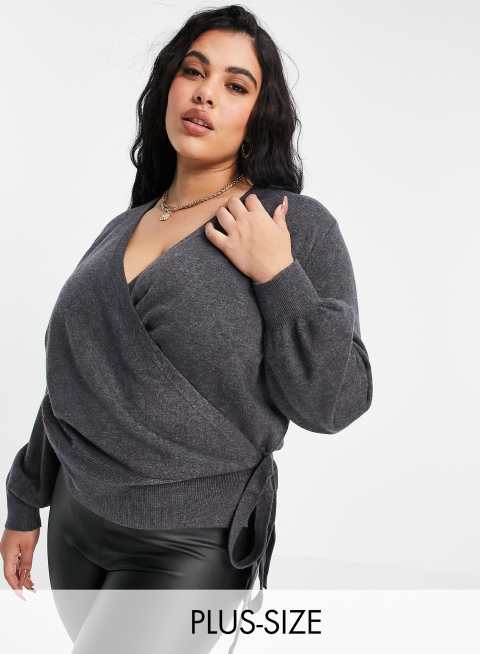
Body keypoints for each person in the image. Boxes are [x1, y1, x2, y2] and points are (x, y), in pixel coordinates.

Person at [1, 4, 373, 651]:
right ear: (168, 86)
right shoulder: (125, 225)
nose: (205, 93)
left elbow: (334, 402)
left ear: (259, 115)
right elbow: (78, 379)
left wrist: (278, 273)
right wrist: (24, 499)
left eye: (236, 85)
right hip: (76, 526)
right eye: (193, 72)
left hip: (188, 544)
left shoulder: (291, 223)